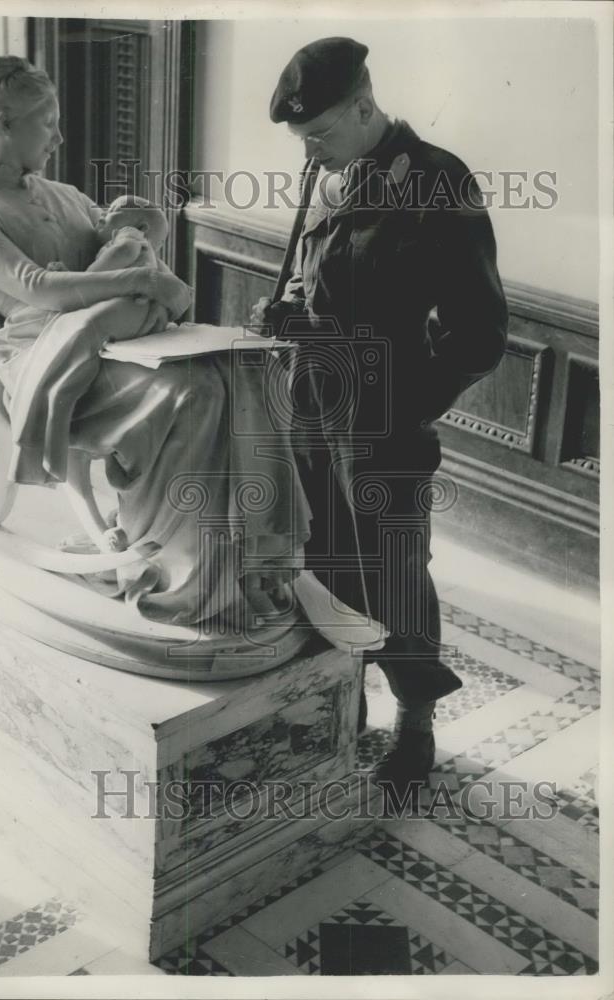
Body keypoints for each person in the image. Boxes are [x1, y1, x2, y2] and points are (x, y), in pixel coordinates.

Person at [0, 55, 311, 633]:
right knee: (191, 395)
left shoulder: (61, 193)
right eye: (47, 123)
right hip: (49, 352)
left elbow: (131, 233)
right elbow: (38, 289)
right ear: (6, 126)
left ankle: (246, 564)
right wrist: (138, 279)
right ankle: (183, 578)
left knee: (239, 377)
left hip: (120, 340)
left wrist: (133, 247)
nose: (60, 136)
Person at [252, 37, 508, 789]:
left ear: (365, 107)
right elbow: (326, 286)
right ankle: (342, 708)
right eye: (303, 141)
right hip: (310, 411)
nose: (311, 153)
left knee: (396, 574)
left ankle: (415, 724)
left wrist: (404, 408)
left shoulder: (436, 181)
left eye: (320, 135)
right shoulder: (328, 174)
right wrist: (295, 313)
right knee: (325, 568)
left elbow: (480, 333)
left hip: (383, 423)